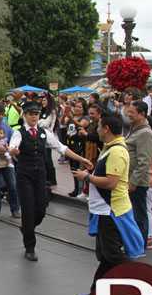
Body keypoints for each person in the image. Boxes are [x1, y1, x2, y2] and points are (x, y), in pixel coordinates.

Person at [72, 110, 144, 295]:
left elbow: (111, 183)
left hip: (111, 210)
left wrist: (87, 177)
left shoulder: (118, 151)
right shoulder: (110, 147)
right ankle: (96, 294)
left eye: (99, 126)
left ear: (107, 128)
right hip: (103, 209)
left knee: (112, 254)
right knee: (105, 255)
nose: (97, 129)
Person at [9, 102, 92, 261]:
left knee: (41, 209)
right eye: (30, 114)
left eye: (36, 114)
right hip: (24, 176)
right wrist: (12, 151)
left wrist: (81, 159)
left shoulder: (44, 133)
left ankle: (27, 228)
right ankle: (30, 247)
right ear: (25, 115)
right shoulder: (19, 133)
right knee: (28, 209)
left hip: (40, 175)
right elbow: (12, 147)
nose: (34, 117)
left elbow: (62, 148)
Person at [125, 100, 152, 253]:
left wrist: (133, 181)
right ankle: (134, 243)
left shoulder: (145, 133)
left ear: (142, 114)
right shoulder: (135, 129)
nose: (128, 114)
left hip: (137, 182)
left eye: (132, 112)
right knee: (133, 214)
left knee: (139, 214)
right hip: (130, 180)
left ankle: (140, 245)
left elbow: (144, 161)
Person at [61, 98, 89, 197]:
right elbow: (63, 122)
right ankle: (76, 189)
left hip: (78, 145)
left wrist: (72, 118)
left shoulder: (85, 118)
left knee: (78, 168)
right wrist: (65, 114)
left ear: (84, 108)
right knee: (73, 168)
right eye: (76, 107)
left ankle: (80, 190)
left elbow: (82, 125)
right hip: (70, 145)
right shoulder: (72, 117)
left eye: (79, 107)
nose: (77, 109)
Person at [77, 103, 103, 199]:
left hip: (96, 152)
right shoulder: (92, 124)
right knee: (88, 170)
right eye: (90, 113)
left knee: (93, 172)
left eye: (93, 113)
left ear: (99, 114)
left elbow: (98, 138)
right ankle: (86, 191)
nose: (91, 116)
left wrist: (86, 134)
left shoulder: (101, 124)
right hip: (87, 151)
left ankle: (89, 192)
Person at [38, 94, 58, 187]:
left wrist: (40, 122)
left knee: (47, 158)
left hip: (48, 136)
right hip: (41, 136)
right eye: (42, 101)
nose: (43, 102)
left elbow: (45, 124)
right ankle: (45, 177)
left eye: (44, 101)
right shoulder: (42, 111)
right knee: (43, 157)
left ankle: (52, 178)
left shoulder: (52, 111)